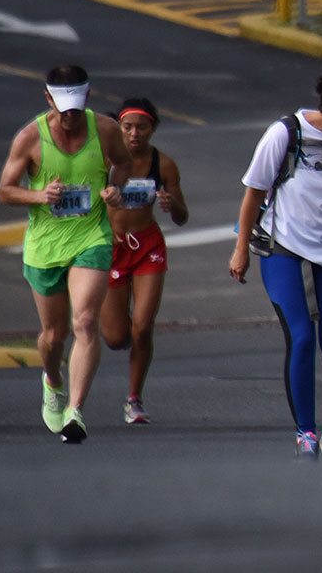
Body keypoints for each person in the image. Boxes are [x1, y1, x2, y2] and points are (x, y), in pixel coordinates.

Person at [229, 71, 322, 459]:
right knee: (301, 336)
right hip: (284, 245)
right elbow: (254, 192)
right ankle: (306, 434)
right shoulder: (284, 133)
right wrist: (240, 248)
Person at [0, 65, 134, 443]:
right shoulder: (29, 138)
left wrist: (113, 188)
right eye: (62, 107)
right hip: (45, 246)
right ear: (48, 99)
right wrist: (40, 195)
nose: (70, 116)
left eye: (76, 107)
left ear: (87, 97)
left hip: (91, 236)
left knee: (86, 321)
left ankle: (76, 411)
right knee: (53, 335)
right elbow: (5, 190)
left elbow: (123, 163)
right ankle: (53, 380)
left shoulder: (104, 129)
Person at [100, 98, 189, 425]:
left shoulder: (163, 165)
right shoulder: (104, 163)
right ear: (118, 128)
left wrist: (171, 203)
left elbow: (182, 217)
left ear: (153, 129)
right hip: (111, 249)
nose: (134, 134)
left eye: (142, 127)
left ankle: (134, 398)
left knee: (143, 326)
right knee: (116, 337)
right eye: (127, 127)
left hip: (147, 246)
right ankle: (115, 326)